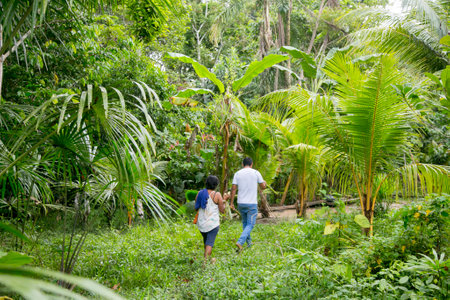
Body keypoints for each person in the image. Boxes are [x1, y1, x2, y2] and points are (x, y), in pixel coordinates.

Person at [229, 157, 266, 252]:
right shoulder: (256, 173)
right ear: (252, 164)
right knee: (251, 224)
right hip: (252, 204)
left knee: (245, 224)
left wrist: (231, 202)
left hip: (241, 203)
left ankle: (249, 245)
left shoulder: (237, 173)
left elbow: (233, 188)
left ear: (242, 164)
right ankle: (240, 242)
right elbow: (263, 187)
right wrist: (264, 183)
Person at [195, 175, 225, 261]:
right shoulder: (217, 194)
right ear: (216, 185)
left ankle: (208, 259)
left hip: (201, 223)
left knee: (207, 241)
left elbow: (196, 207)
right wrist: (224, 200)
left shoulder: (199, 193)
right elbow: (222, 210)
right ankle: (205, 262)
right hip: (212, 224)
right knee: (209, 243)